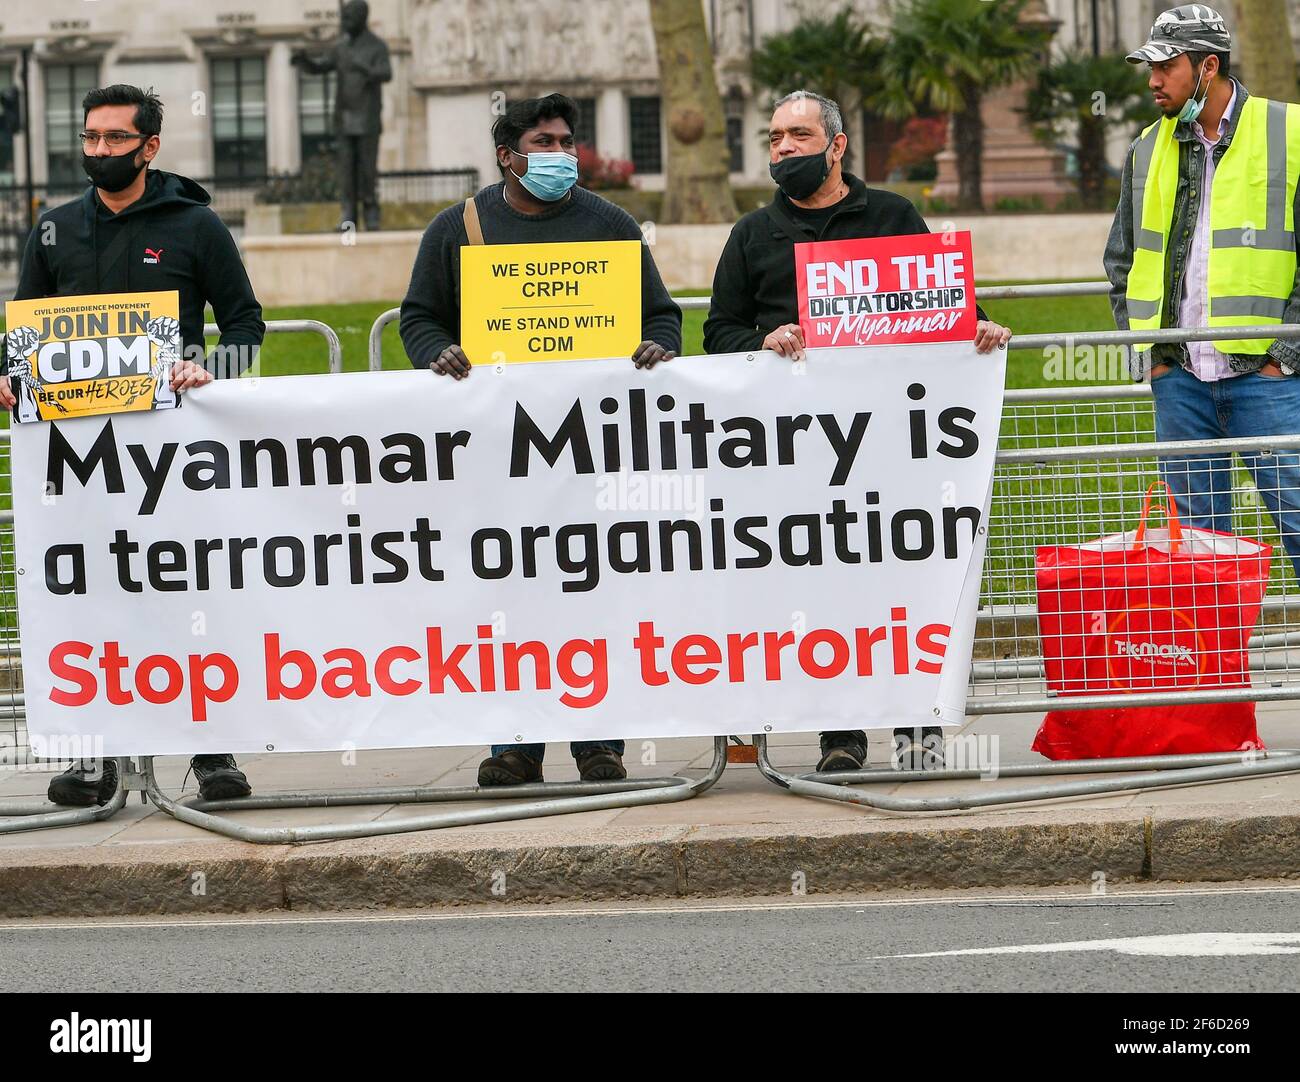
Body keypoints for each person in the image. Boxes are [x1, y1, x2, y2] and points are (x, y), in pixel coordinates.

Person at [704, 90, 1012, 775]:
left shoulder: (893, 217)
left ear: (837, 146)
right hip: (794, 455)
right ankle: (839, 737)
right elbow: (717, 332)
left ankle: (916, 728)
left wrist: (980, 328)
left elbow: (947, 303)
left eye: (799, 135)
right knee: (822, 592)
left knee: (905, 584)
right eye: (776, 137)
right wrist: (764, 337)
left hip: (892, 449)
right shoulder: (753, 234)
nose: (783, 148)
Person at [399, 92, 682, 787]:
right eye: (542, 143)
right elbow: (419, 318)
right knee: (509, 596)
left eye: (565, 141)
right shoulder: (458, 227)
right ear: (506, 155)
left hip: (592, 452)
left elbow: (663, 316)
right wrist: (439, 354)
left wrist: (656, 347)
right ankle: (514, 746)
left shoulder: (609, 223)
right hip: (497, 454)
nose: (558, 154)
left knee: (595, 592)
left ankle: (599, 744)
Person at [0, 84, 265, 806]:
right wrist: (5, 374)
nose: (100, 152)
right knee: (88, 605)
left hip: (175, 456)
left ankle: (212, 756)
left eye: (117, 140)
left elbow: (246, 326)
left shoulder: (197, 226)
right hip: (77, 462)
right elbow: (20, 337)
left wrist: (213, 369)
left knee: (188, 597)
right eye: (90, 138)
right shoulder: (51, 230)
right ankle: (97, 760)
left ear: (150, 147)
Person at [1105, 6, 1300, 582]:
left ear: (1207, 66)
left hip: (1267, 379)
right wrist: (1155, 359)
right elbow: (1121, 261)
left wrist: (1282, 359)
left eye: (1166, 66)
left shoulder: (1288, 132)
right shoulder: (1146, 147)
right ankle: (1213, 670)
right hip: (1182, 381)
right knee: (1198, 553)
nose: (1153, 81)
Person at [292, 0, 392, 231]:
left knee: (367, 170)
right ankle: (348, 214)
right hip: (344, 119)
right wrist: (305, 62)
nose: (344, 23)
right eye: (343, 18)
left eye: (348, 19)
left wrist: (365, 69)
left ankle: (371, 212)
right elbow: (322, 67)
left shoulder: (376, 46)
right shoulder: (341, 47)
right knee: (346, 172)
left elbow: (386, 73)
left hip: (367, 119)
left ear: (361, 18)